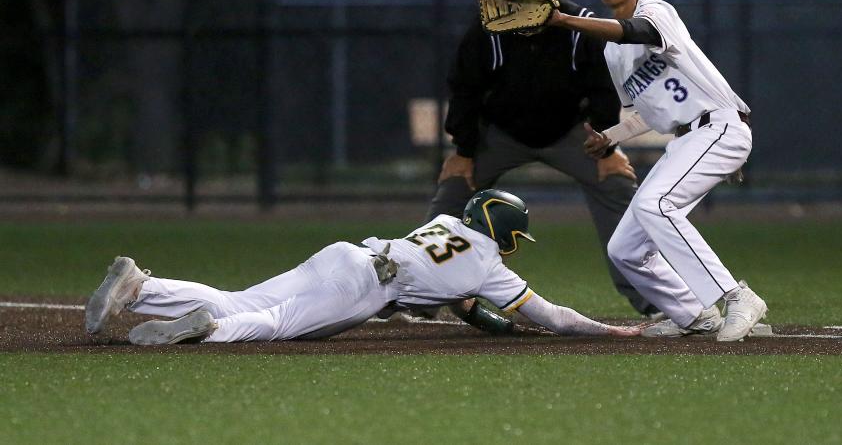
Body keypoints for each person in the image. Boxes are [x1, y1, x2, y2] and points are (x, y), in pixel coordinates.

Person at [545, 0, 767, 342]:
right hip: (689, 141)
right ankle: (695, 316)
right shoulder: (613, 52)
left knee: (655, 204)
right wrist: (610, 137)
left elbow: (635, 31)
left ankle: (736, 296)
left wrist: (566, 21)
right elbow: (647, 112)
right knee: (625, 249)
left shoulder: (657, 11)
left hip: (720, 127)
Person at [84, 189, 646, 345]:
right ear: (502, 231)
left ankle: (141, 288)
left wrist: (471, 312)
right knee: (275, 323)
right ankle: (209, 331)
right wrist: (611, 329)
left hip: (346, 254)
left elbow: (455, 299)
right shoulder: (489, 268)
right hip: (366, 285)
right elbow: (550, 318)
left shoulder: (447, 223)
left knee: (239, 297)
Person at [427, 0, 660, 318]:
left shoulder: (580, 27)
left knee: (616, 183)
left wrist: (607, 145)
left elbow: (603, 90)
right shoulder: (488, 28)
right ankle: (418, 299)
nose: (529, 6)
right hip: (501, 133)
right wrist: (463, 150)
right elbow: (465, 90)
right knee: (454, 190)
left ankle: (653, 301)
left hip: (569, 132)